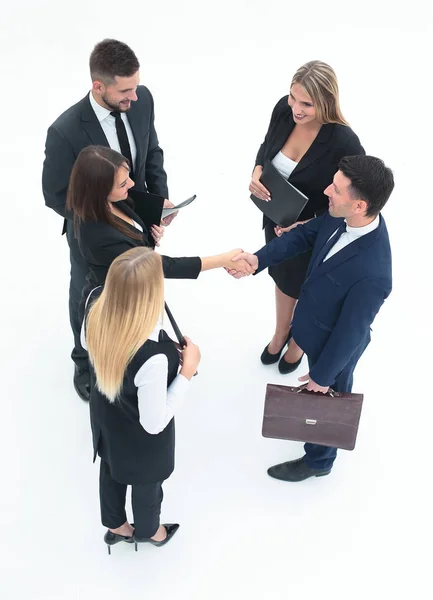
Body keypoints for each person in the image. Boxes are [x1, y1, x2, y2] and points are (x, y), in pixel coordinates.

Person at [233, 155, 394, 481]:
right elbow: (305, 235)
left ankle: (319, 461)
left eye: (335, 188)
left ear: (360, 205)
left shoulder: (374, 274)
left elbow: (350, 333)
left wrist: (321, 377)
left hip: (332, 345)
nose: (326, 191)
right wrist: (257, 260)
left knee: (331, 399)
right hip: (311, 324)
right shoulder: (340, 214)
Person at [42, 38, 175, 401]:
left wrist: (156, 203)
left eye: (135, 86)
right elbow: (55, 195)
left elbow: (152, 153)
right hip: (93, 234)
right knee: (88, 295)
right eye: (125, 91)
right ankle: (84, 358)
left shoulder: (142, 99)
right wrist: (108, 218)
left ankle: (133, 344)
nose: (134, 97)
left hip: (138, 222)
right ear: (98, 86)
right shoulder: (65, 132)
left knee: (137, 289)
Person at [66, 145, 252, 386]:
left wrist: (148, 235)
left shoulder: (111, 203)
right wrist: (220, 260)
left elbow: (136, 236)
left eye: (128, 178)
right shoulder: (98, 235)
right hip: (118, 304)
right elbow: (158, 266)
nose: (132, 185)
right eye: (122, 184)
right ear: (100, 190)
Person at [249, 60, 365, 375]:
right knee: (283, 280)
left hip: (313, 231)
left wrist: (307, 223)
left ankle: (298, 342)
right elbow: (266, 146)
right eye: (292, 97)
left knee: (307, 288)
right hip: (276, 221)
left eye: (307, 104)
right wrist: (257, 169)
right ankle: (280, 333)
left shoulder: (343, 141)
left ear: (326, 102)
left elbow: (357, 196)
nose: (296, 109)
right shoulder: (283, 111)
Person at [82, 247, 201, 552]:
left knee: (110, 471)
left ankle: (115, 525)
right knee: (147, 488)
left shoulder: (95, 300)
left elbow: (86, 343)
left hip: (106, 420)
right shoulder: (153, 358)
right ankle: (150, 531)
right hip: (141, 442)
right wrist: (186, 372)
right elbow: (153, 423)